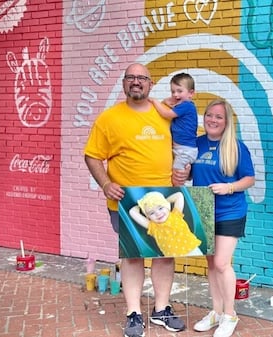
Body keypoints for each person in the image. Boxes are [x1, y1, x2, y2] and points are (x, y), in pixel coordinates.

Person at [84, 63, 186, 337]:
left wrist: (184, 170)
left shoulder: (165, 115)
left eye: (142, 78)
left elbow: (184, 147)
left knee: (164, 256)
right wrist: (105, 183)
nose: (137, 82)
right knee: (132, 258)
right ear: (124, 84)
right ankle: (133, 313)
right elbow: (92, 155)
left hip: (163, 200)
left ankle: (161, 309)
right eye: (131, 77)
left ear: (151, 85)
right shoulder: (109, 119)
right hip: (126, 202)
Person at [190, 99, 255, 337]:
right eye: (209, 115)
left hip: (230, 211)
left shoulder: (236, 147)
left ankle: (230, 314)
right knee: (210, 264)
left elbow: (249, 178)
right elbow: (186, 171)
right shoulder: (197, 144)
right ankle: (216, 312)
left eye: (218, 117)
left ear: (227, 121)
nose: (212, 120)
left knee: (221, 263)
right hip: (203, 210)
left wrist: (229, 187)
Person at [149, 73, 198, 182]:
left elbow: (166, 114)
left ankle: (182, 197)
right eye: (173, 91)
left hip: (184, 151)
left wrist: (154, 101)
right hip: (180, 149)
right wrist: (166, 101)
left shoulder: (186, 106)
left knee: (177, 179)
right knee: (176, 176)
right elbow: (167, 103)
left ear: (191, 93)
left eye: (180, 91)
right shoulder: (181, 106)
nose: (175, 95)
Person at [129, 191, 203, 257]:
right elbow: (132, 212)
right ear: (148, 217)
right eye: (152, 213)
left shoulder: (176, 214)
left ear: (166, 206)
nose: (158, 213)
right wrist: (142, 205)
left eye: (160, 208)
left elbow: (179, 195)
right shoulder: (153, 226)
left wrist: (165, 202)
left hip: (192, 250)